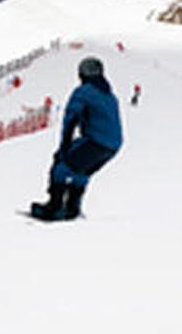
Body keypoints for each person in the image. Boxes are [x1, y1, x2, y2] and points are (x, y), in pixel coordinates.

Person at [30, 56, 123, 220]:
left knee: (61, 164)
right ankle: (73, 207)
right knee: (82, 169)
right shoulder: (110, 96)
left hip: (96, 141)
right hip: (113, 146)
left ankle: (54, 206)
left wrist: (64, 146)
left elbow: (71, 119)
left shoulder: (83, 92)